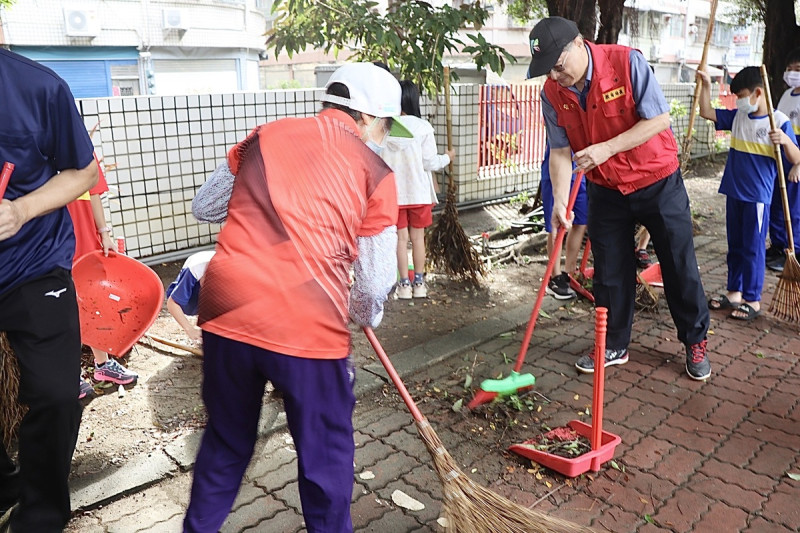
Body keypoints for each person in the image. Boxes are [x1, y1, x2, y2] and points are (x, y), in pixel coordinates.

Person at [183, 62, 401, 533]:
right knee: (325, 456)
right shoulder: (377, 173)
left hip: (226, 311)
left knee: (225, 443)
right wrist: (364, 315)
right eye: (385, 125)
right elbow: (373, 284)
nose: (384, 136)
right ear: (366, 117)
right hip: (306, 323)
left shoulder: (262, 137)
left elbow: (205, 206)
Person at [527, 17, 711, 380]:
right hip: (606, 187)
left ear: (579, 44)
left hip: (656, 178)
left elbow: (658, 120)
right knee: (610, 270)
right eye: (546, 70)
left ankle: (694, 340)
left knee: (678, 264)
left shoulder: (626, 63)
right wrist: (561, 203)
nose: (553, 76)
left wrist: (605, 149)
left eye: (558, 66)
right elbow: (561, 152)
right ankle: (613, 342)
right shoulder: (552, 93)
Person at [0, 49, 98, 532]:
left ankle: (40, 517)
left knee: (58, 394)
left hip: (33, 265)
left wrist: (20, 211)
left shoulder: (39, 86)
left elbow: (84, 173)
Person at [698, 67, 800, 321]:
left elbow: (797, 158)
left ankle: (752, 299)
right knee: (735, 245)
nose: (739, 102)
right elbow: (707, 112)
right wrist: (706, 88)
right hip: (734, 192)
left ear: (757, 92)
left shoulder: (779, 122)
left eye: (741, 95)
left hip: (758, 197)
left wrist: (786, 142)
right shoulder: (738, 118)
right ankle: (734, 292)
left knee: (753, 248)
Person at [66, 153, 138, 401]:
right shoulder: (36, 146)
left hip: (87, 240)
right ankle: (68, 375)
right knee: (63, 308)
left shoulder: (81, 148)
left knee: (95, 303)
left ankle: (103, 366)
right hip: (55, 243)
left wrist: (104, 233)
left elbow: (94, 192)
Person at [383, 80, 454, 299]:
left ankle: (403, 285)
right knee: (418, 239)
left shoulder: (384, 128)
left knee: (401, 240)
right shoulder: (423, 128)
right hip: (418, 193)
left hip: (394, 194)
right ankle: (420, 284)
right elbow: (429, 163)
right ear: (414, 100)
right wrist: (447, 158)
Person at [539, 142, 587, 299]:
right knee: (558, 225)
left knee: (581, 221)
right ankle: (555, 277)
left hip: (582, 168)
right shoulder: (558, 118)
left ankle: (569, 272)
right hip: (558, 169)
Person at [770, 47, 800, 272]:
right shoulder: (786, 95)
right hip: (781, 157)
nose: (792, 73)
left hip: (796, 160)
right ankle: (779, 246)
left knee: (794, 208)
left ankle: (795, 250)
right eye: (789, 69)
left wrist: (799, 164)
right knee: (777, 205)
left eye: (797, 69)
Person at [165, 250, 215, 343]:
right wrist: (190, 329)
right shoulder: (193, 271)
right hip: (195, 282)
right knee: (187, 306)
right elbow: (172, 303)